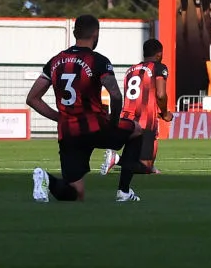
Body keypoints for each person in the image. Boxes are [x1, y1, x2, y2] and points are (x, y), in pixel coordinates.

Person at [25, 15, 132, 203]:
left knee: (76, 194)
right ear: (96, 34)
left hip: (68, 132)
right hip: (95, 127)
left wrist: (60, 118)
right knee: (137, 131)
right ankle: (124, 190)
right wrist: (113, 123)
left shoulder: (55, 61)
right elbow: (115, 95)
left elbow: (33, 98)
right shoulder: (97, 60)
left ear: (75, 33)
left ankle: (46, 179)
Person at [104, 39, 171, 184]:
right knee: (145, 167)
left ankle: (145, 165)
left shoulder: (130, 70)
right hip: (146, 120)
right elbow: (160, 94)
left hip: (127, 119)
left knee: (139, 159)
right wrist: (165, 113)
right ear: (159, 54)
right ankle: (116, 159)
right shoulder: (159, 67)